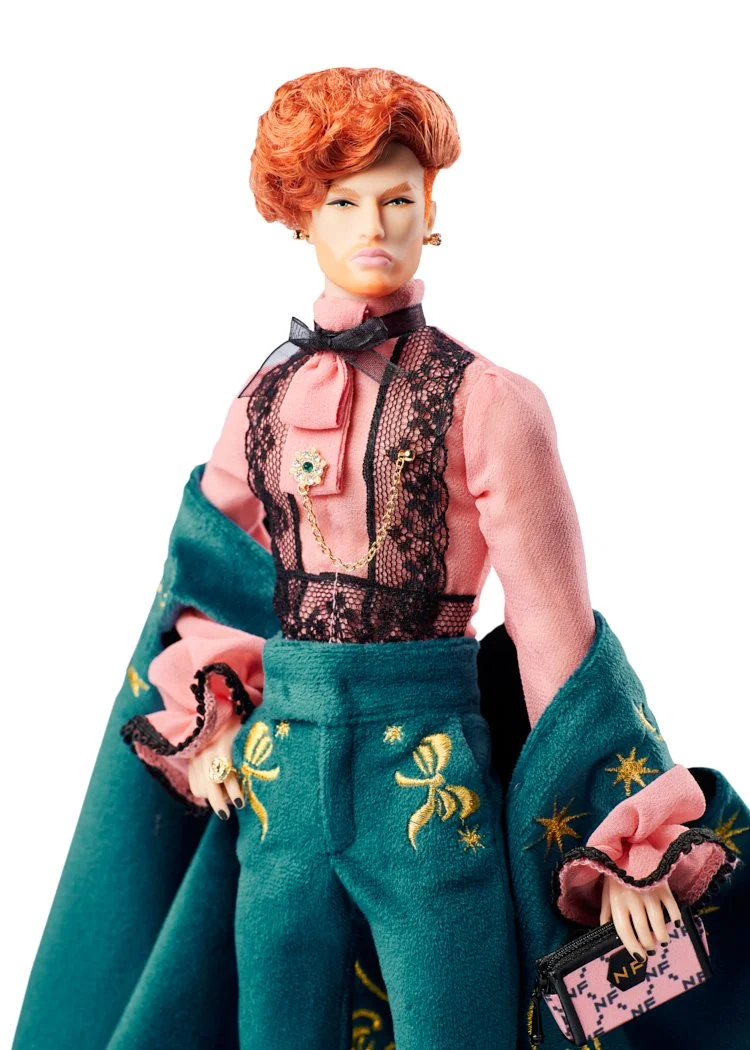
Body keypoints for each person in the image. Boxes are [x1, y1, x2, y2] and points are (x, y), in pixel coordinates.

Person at [13, 67, 746, 1050]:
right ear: (300, 219)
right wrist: (213, 714)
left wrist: (624, 828)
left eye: (398, 199)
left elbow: (555, 637)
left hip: (425, 767)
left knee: (456, 1020)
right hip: (280, 771)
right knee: (277, 1022)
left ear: (431, 211)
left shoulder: (488, 402)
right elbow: (210, 575)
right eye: (342, 202)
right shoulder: (262, 399)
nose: (373, 225)